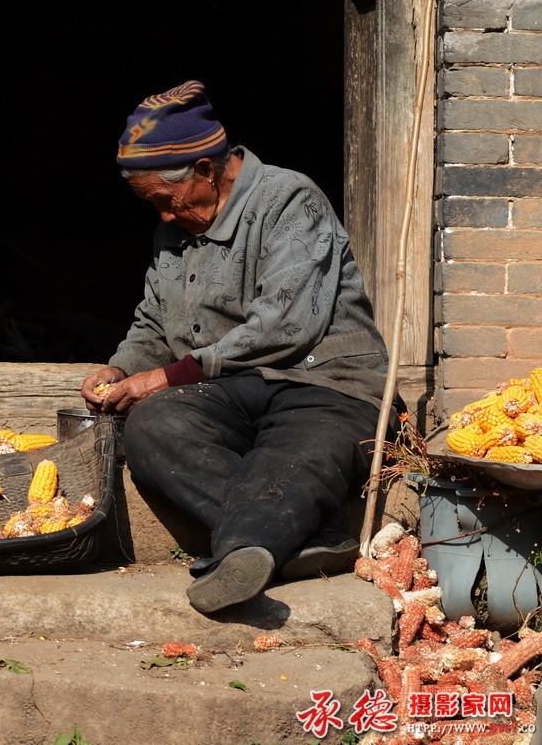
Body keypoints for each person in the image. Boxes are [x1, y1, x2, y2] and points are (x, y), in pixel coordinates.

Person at [81, 80, 393, 616]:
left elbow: (285, 327)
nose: (162, 216)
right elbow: (154, 322)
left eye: (166, 200)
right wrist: (122, 367)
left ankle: (244, 551)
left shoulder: (290, 200)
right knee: (152, 428)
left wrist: (169, 376)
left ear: (205, 169)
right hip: (234, 389)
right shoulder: (175, 230)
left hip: (326, 384)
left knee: (299, 448)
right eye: (151, 204)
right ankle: (295, 542)